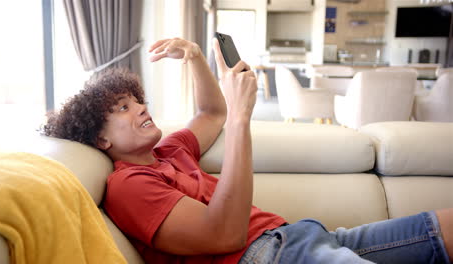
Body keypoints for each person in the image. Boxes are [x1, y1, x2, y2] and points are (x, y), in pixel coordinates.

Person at [44, 37, 453, 264]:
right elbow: (225, 235)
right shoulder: (129, 184)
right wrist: (242, 118)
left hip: (302, 236)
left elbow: (210, 111)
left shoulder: (170, 152)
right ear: (102, 141)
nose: (141, 108)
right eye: (122, 109)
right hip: (266, 256)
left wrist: (197, 58)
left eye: (136, 100)